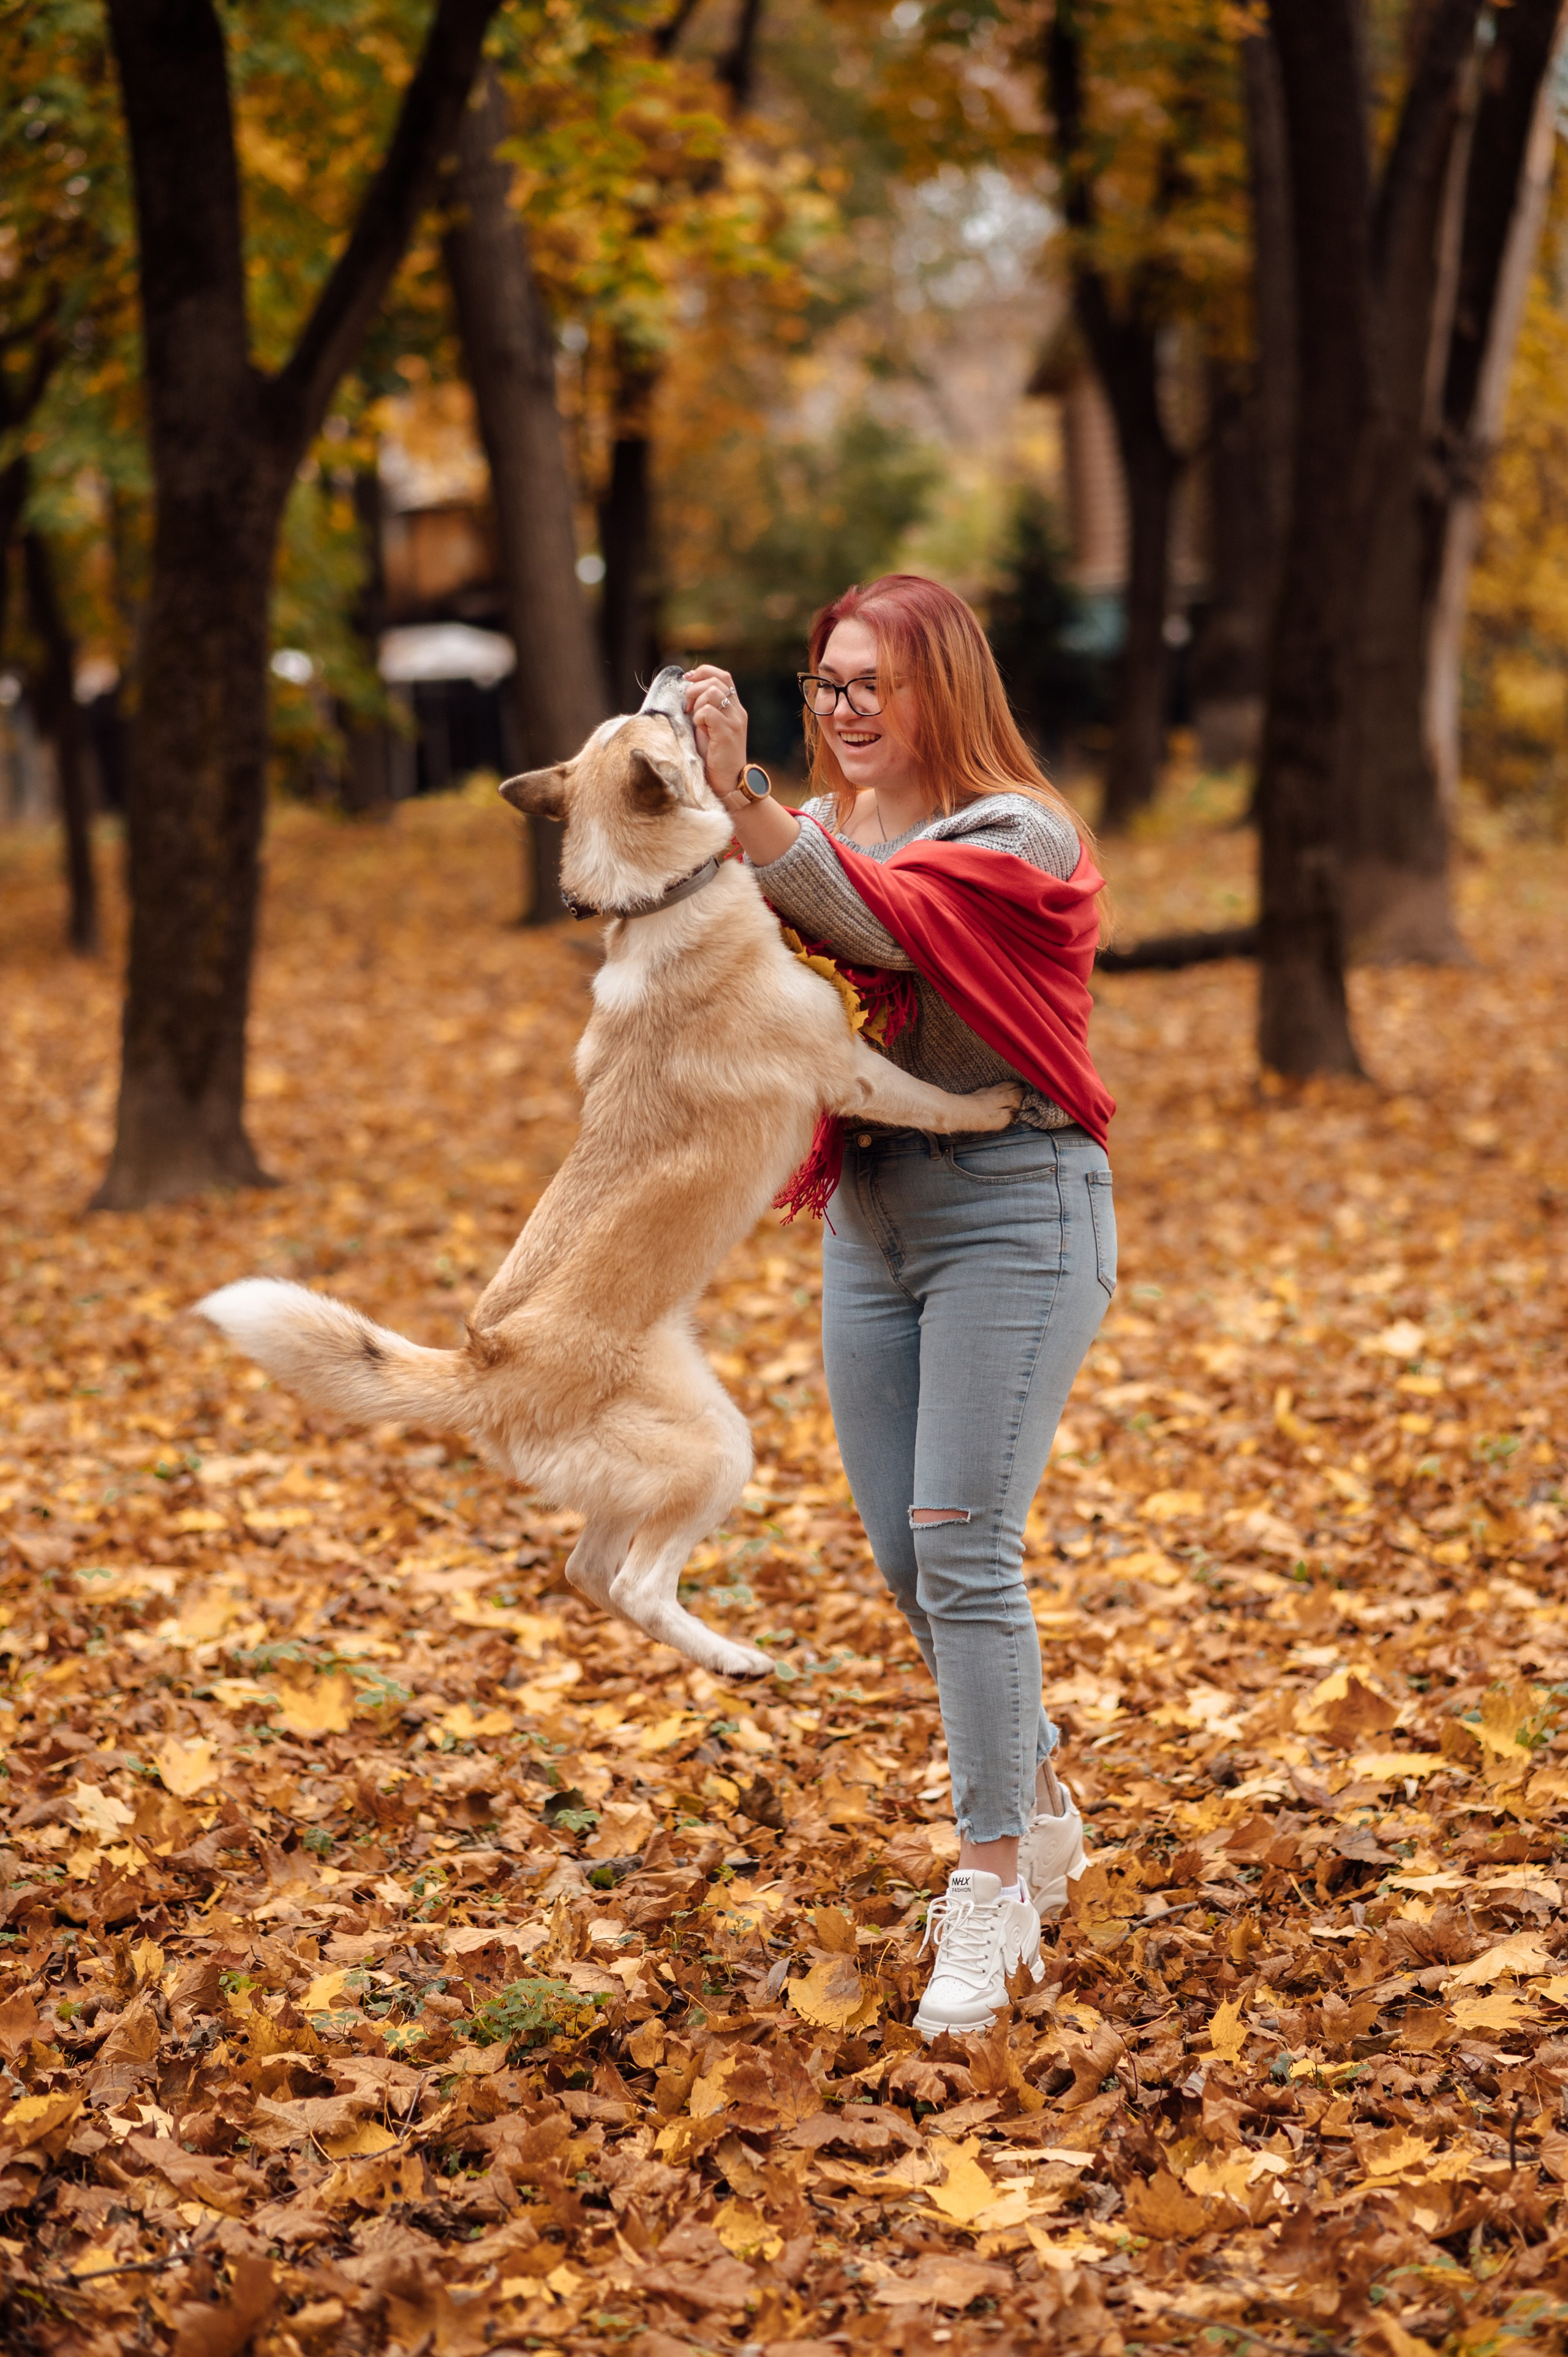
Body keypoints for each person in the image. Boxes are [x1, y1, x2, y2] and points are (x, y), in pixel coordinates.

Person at [682, 574, 1116, 2038]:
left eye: (872, 683)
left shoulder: (1017, 835)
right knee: (902, 1555)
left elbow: (877, 928)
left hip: (1015, 1208)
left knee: (961, 1544)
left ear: (944, 687)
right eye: (825, 685)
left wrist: (742, 801)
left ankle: (988, 1886)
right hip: (868, 1221)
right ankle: (1036, 1788)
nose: (845, 711)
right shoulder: (807, 834)